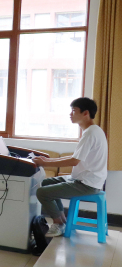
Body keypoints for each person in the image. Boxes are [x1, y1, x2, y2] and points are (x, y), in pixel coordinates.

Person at [33, 97, 108, 237]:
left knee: (42, 193)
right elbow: (75, 158)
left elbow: (74, 161)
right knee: (44, 183)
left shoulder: (90, 133)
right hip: (84, 178)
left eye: (74, 110)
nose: (70, 114)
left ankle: (58, 223)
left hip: (87, 183)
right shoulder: (93, 130)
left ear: (85, 113)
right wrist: (47, 160)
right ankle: (62, 221)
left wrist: (45, 163)